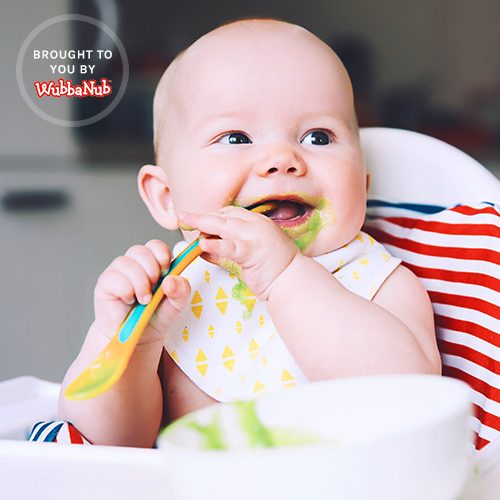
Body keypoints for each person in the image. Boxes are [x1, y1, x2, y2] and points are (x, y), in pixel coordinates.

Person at [57, 18, 441, 448]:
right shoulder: (174, 293)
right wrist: (129, 340)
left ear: (363, 186)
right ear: (166, 197)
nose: (282, 158)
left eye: (318, 137)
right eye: (236, 138)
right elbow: (109, 444)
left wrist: (285, 275)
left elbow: (411, 404)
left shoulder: (379, 283)